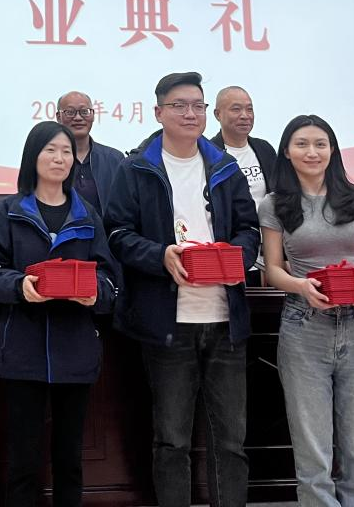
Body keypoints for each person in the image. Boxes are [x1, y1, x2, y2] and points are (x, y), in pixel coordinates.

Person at [105, 71, 259, 507]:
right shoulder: (136, 168)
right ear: (159, 112)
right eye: (179, 105)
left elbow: (249, 229)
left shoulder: (225, 167)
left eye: (197, 106)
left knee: (231, 439)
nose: (190, 114)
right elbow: (116, 233)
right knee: (172, 439)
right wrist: (160, 255)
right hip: (167, 323)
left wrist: (238, 257)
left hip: (225, 321)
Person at [0, 121, 118, 507]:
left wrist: (95, 293)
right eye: (50, 150)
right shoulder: (10, 211)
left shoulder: (87, 215)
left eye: (66, 151)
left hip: (75, 350)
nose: (59, 158)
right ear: (32, 157)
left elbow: (110, 279)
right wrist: (19, 286)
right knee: (24, 459)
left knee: (70, 459)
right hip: (23, 350)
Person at [259, 114, 354, 507]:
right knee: (313, 451)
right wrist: (301, 285)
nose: (311, 152)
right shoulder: (275, 204)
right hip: (304, 326)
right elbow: (272, 269)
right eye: (302, 144)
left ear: (332, 150)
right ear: (286, 151)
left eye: (320, 144)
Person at [209, 85, 278, 283]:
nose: (245, 116)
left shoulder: (264, 149)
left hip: (270, 251)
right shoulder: (210, 154)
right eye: (236, 109)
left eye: (249, 109)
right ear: (217, 114)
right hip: (233, 251)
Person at [55, 90, 126, 215]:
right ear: (58, 117)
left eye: (84, 112)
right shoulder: (52, 159)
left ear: (93, 115)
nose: (78, 118)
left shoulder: (114, 158)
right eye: (70, 112)